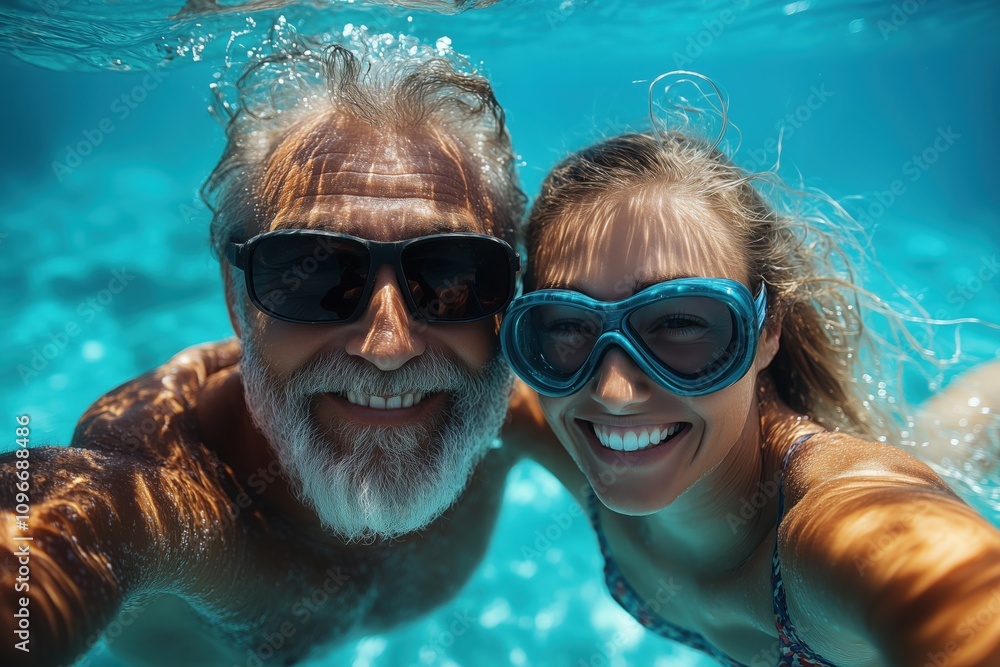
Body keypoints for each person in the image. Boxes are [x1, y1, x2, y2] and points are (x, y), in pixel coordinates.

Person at [0, 39, 542, 666]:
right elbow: (58, 527)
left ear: (511, 296)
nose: (389, 347)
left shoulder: (511, 401)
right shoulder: (161, 484)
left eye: (454, 276)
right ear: (237, 301)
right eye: (314, 274)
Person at [500, 129, 1000, 666]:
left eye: (681, 321)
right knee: (934, 442)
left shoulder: (838, 530)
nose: (614, 393)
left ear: (767, 330)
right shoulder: (556, 420)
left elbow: (940, 577)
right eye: (566, 325)